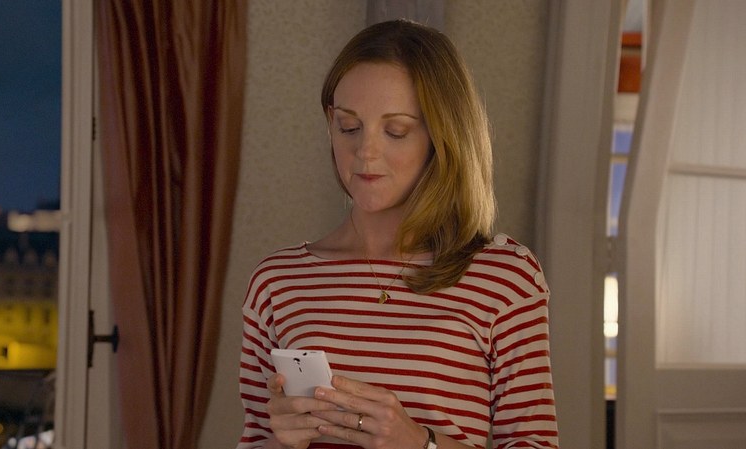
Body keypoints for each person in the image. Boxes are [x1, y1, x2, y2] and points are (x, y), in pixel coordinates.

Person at [237, 19, 558, 449]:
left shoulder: (504, 280)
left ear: (441, 136)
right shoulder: (277, 283)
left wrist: (421, 443)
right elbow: (256, 439)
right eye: (348, 126)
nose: (365, 152)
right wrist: (281, 444)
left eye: (396, 131)